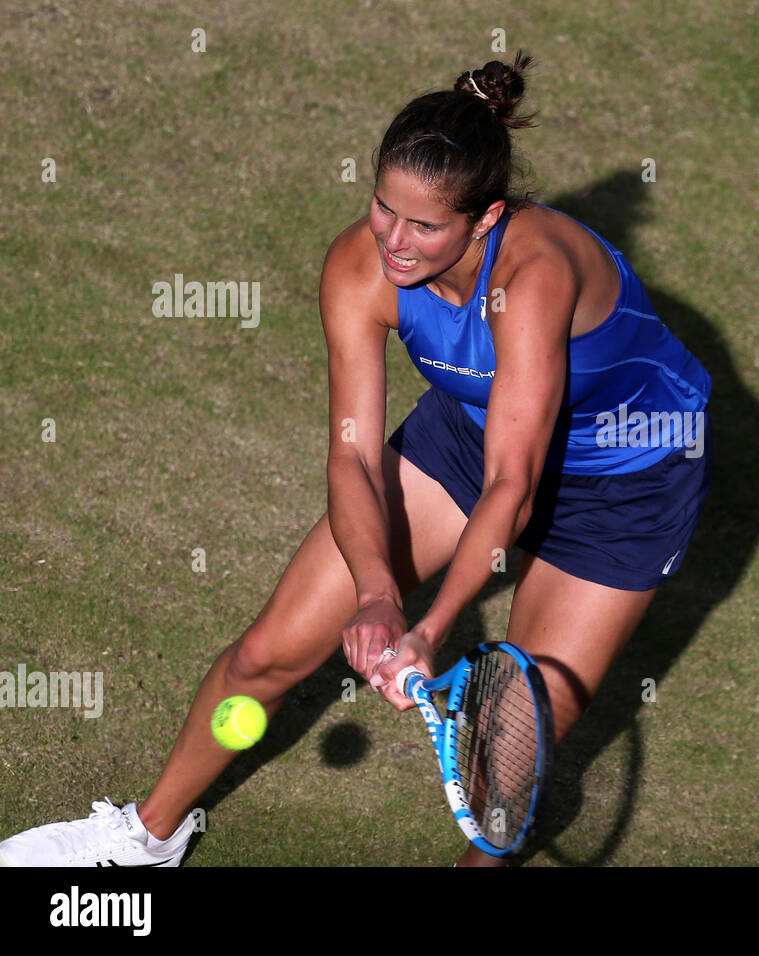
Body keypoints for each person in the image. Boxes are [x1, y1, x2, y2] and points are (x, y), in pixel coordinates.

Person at [0, 52, 712, 868]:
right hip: (472, 436)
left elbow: (514, 489)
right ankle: (145, 837)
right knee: (269, 650)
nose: (395, 244)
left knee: (504, 751)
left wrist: (431, 627)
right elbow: (352, 456)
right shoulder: (358, 264)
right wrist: (378, 594)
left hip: (624, 479)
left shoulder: (536, 275)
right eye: (383, 209)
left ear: (484, 221)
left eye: (425, 226)